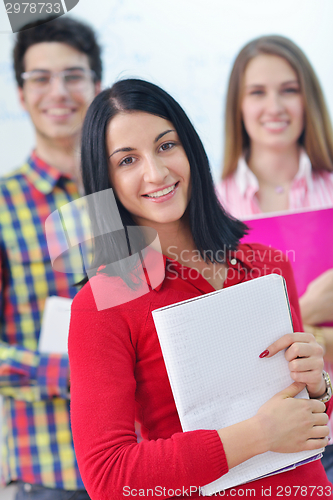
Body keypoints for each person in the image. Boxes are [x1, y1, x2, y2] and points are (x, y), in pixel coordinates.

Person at [67, 79, 332, 500]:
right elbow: (109, 478)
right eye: (128, 160)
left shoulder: (266, 265)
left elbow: (308, 419)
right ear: (107, 181)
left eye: (166, 145)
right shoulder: (101, 305)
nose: (155, 172)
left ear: (190, 148)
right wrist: (260, 434)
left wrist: (317, 385)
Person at [215, 35, 333, 480]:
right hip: (260, 440)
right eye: (257, 92)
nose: (274, 106)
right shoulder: (210, 204)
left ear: (309, 99)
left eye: (289, 89)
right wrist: (309, 309)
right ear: (238, 106)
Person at [0, 15, 101, 499]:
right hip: (52, 471)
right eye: (40, 78)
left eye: (73, 76)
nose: (58, 91)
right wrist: (78, 372)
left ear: (97, 86)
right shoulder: (2, 206)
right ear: (21, 94)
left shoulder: (139, 192)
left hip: (153, 459)